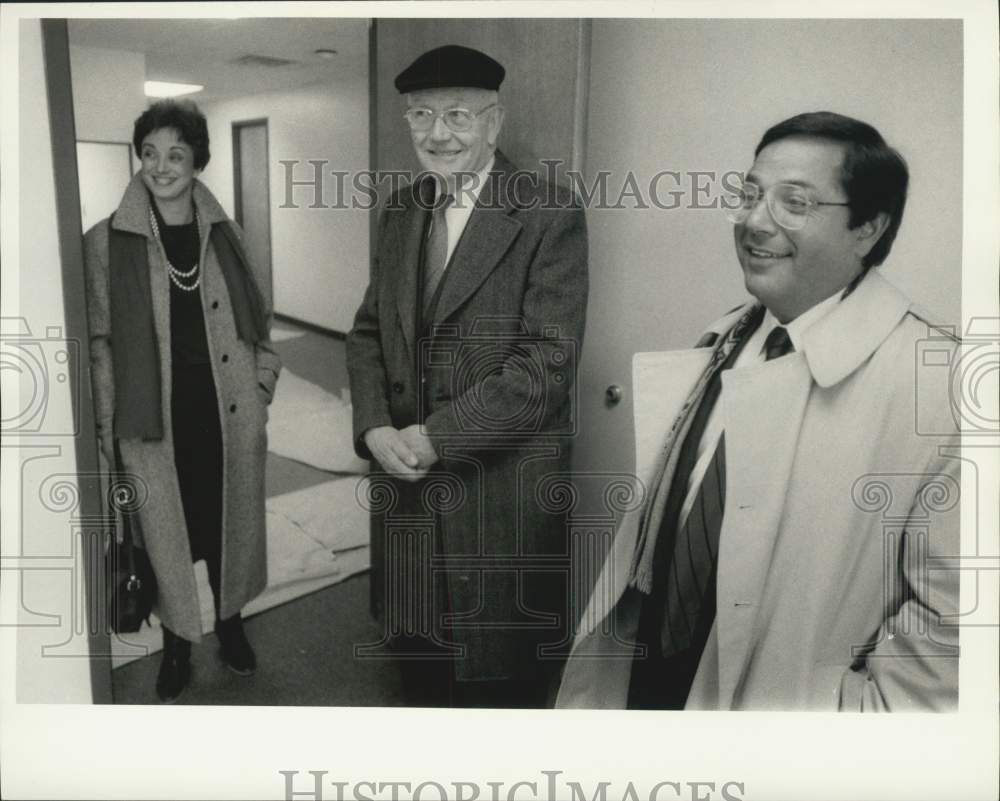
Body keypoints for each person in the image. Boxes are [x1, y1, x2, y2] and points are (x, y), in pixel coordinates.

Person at [556, 111, 960, 711]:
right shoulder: (728, 336)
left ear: (867, 228)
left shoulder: (940, 383)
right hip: (654, 676)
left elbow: (953, 629)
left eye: (793, 202)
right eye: (749, 194)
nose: (753, 221)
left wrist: (839, 720)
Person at [347, 45, 588, 708]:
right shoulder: (399, 210)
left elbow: (546, 367)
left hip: (495, 493)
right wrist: (372, 426)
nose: (437, 133)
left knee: (494, 682)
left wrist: (437, 435)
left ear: (494, 122)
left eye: (457, 115)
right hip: (403, 488)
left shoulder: (548, 213)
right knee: (417, 661)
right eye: (420, 115)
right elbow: (369, 332)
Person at [83, 99, 281, 702]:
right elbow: (101, 341)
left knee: (229, 524)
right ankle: (175, 643)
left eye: (176, 154)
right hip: (154, 419)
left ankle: (230, 624)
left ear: (197, 162)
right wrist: (108, 424)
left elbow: (259, 321)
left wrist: (262, 386)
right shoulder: (103, 242)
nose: (161, 167)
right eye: (150, 154)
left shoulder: (225, 232)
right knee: (166, 533)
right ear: (138, 159)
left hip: (226, 409)